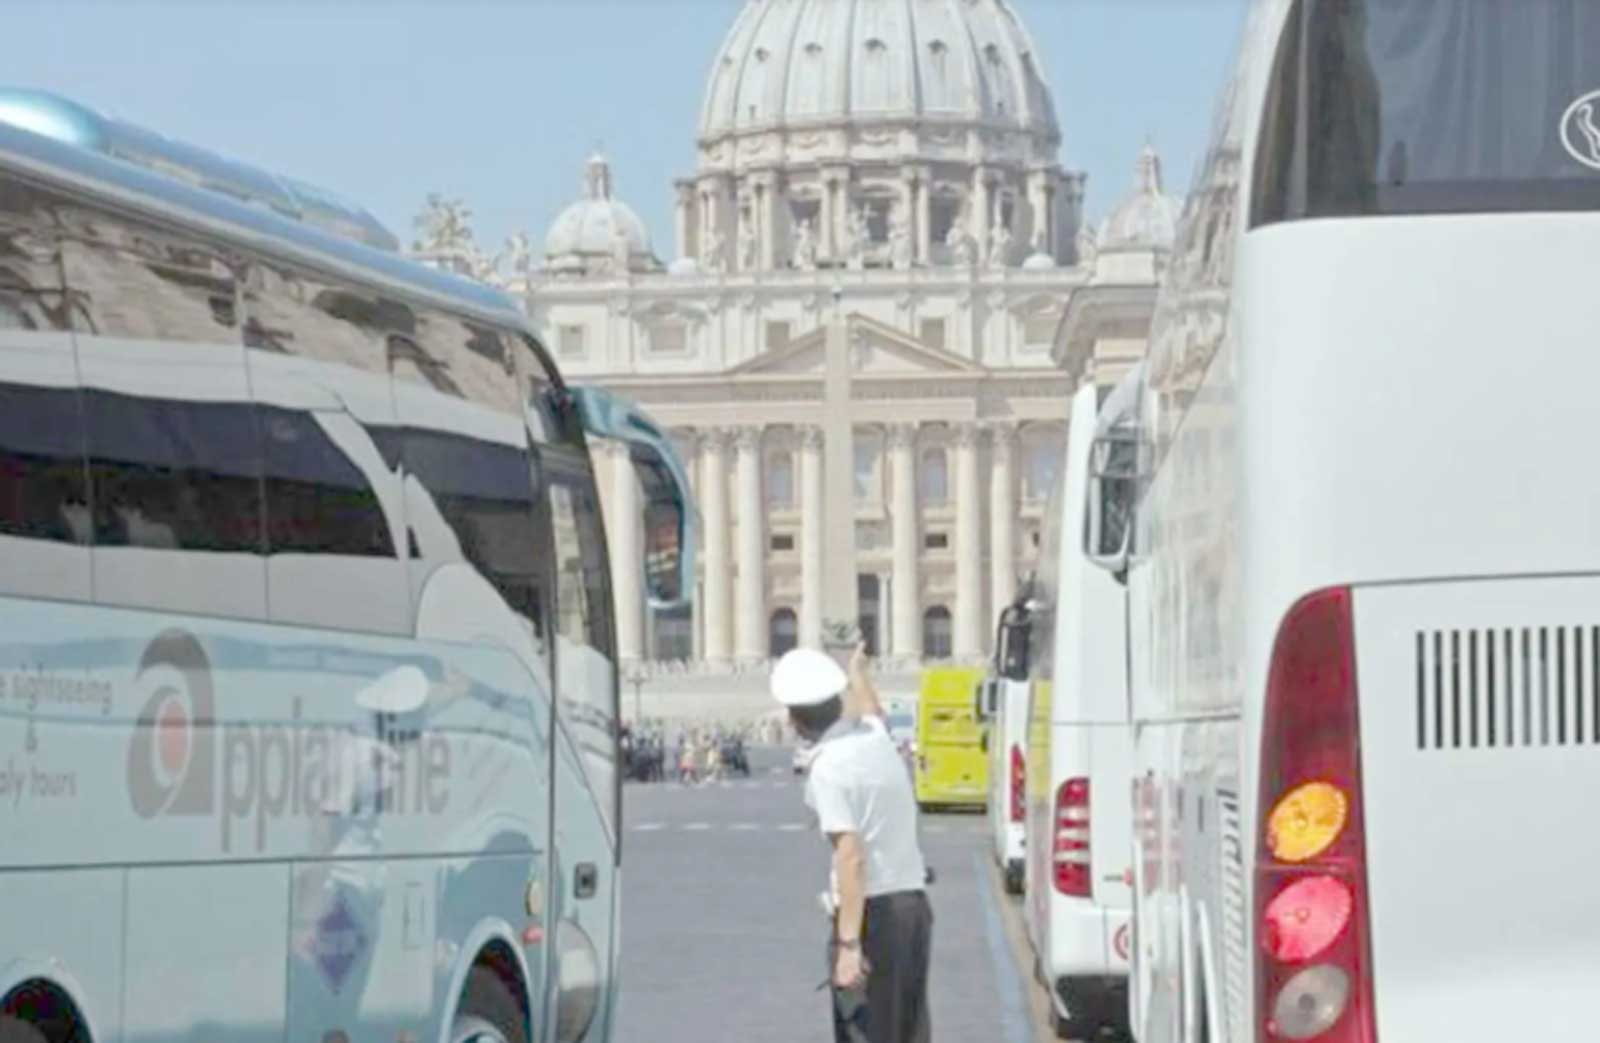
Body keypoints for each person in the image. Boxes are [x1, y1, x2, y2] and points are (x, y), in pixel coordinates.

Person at [770, 645, 933, 1043]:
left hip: (874, 916)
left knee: (865, 1031)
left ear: (793, 720)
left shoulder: (828, 768)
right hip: (913, 909)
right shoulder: (874, 739)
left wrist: (849, 944)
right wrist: (858, 672)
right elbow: (873, 711)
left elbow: (851, 857)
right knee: (907, 1033)